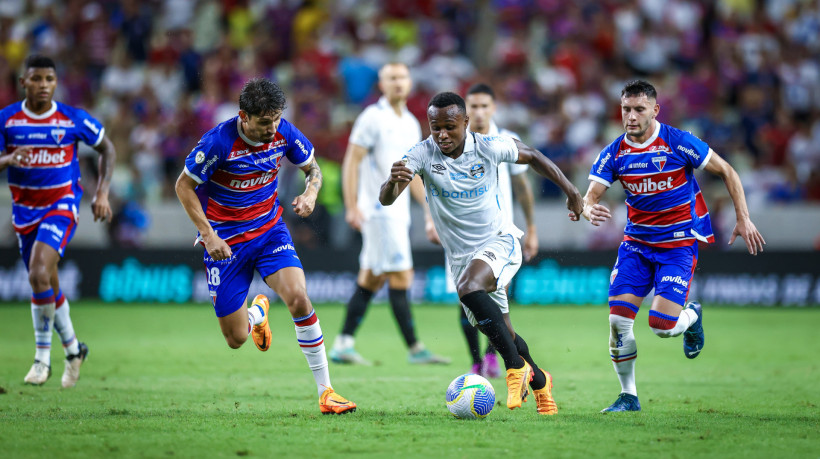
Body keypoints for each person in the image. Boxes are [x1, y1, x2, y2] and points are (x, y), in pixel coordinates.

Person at [379, 92, 584, 415]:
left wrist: (571, 191)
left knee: (469, 288)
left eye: (449, 126)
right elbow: (387, 198)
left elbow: (532, 156)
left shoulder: (488, 145)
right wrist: (393, 182)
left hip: (500, 242)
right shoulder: (422, 153)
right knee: (504, 330)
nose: (442, 134)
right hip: (461, 257)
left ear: (465, 122)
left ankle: (515, 368)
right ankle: (542, 382)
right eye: (435, 128)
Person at [576, 80, 766, 412]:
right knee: (618, 321)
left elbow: (728, 171)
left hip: (677, 245)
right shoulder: (614, 152)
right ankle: (628, 396)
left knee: (662, 327)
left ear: (655, 110)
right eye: (626, 110)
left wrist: (743, 218)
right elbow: (589, 197)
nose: (631, 117)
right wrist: (588, 208)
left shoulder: (678, 142)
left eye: (639, 109)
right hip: (636, 245)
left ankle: (691, 315)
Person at [175, 78, 356, 414]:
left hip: (269, 230)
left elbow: (312, 168)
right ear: (244, 116)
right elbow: (183, 186)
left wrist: (310, 193)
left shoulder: (284, 132)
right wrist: (208, 234)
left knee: (299, 298)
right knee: (236, 339)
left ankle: (327, 392)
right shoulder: (218, 142)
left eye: (275, 118)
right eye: (263, 121)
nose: (272, 127)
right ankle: (257, 312)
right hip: (225, 242)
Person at [0, 55, 114, 388]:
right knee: (47, 281)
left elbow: (107, 148)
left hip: (62, 205)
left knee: (37, 273)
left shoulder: (71, 118)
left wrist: (102, 192)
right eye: (36, 79)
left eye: (49, 79)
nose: (44, 85)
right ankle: (75, 350)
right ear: (23, 83)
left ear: (56, 82)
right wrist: (8, 158)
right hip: (24, 212)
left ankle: (41, 359)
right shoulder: (7, 121)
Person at [329, 62, 449, 366]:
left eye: (402, 77)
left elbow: (415, 174)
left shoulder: (409, 122)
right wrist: (352, 204)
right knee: (401, 275)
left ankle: (343, 343)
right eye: (391, 78)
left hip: (398, 214)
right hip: (379, 212)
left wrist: (428, 211)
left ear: (410, 83)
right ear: (381, 85)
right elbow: (351, 161)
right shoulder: (372, 117)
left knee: (370, 278)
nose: (398, 82)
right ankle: (415, 348)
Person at [456, 83, 539, 378]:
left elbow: (522, 186)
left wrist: (530, 227)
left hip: (499, 234)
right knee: (466, 296)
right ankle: (476, 359)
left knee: (495, 295)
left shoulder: (506, 141)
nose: (478, 112)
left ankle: (494, 356)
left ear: (493, 108)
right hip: (463, 234)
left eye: (483, 106)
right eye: (473, 106)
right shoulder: (454, 142)